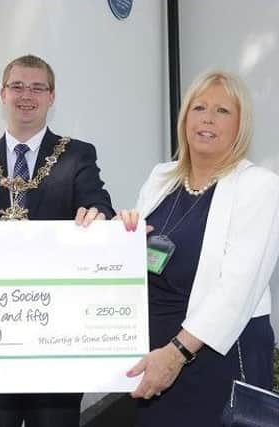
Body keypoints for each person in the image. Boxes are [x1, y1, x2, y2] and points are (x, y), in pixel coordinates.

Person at [0, 54, 115, 427]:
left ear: (51, 97)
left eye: (38, 87)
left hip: (54, 331)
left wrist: (98, 217)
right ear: (2, 93)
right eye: (18, 86)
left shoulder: (77, 155)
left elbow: (98, 203)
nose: (27, 95)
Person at [117, 70, 279, 426]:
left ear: (241, 126)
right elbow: (137, 259)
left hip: (212, 357)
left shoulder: (259, 186)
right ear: (185, 118)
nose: (207, 118)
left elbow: (236, 289)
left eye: (223, 111)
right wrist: (112, 235)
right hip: (155, 355)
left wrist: (176, 354)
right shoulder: (162, 176)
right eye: (199, 107)